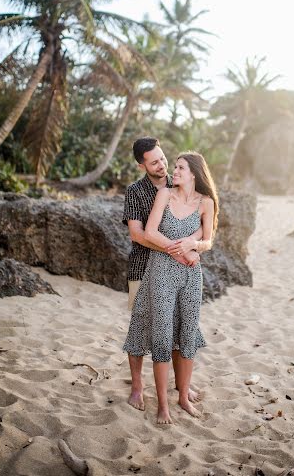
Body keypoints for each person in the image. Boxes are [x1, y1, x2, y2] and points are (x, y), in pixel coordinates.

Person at [123, 151, 218, 424]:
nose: (172, 171)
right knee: (162, 337)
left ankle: (184, 397)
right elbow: (149, 232)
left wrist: (194, 244)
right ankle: (162, 405)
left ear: (194, 174)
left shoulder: (206, 202)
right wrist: (177, 251)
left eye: (179, 167)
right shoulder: (164, 195)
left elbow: (208, 240)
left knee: (187, 333)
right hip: (160, 270)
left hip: (191, 275)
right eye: (173, 166)